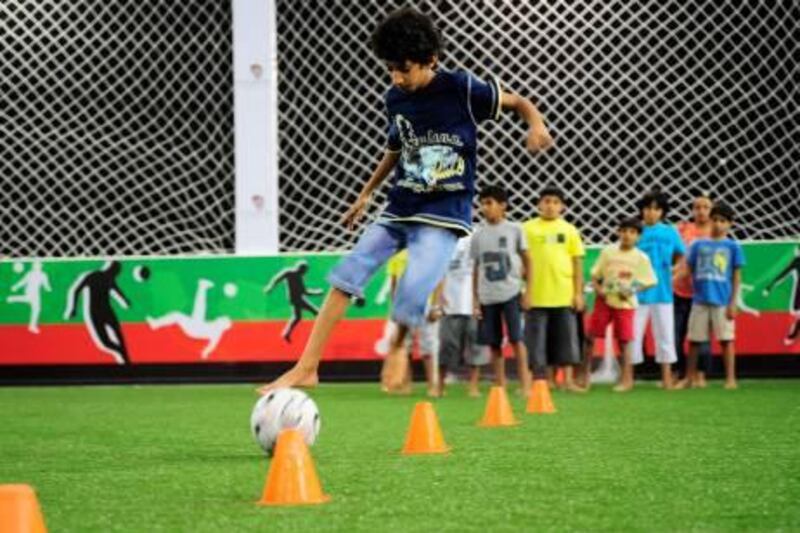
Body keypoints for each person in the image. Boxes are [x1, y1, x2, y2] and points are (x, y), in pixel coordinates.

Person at [259, 7, 553, 393]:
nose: (397, 77)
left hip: (444, 214)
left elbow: (518, 103)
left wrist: (536, 125)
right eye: (390, 69)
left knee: (414, 290)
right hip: (400, 206)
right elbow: (394, 149)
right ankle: (307, 366)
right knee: (348, 273)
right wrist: (365, 194)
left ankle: (397, 346)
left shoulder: (462, 88)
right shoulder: (395, 98)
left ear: (430, 60)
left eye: (405, 69)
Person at [522, 186, 586, 392]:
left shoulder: (569, 230)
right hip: (536, 296)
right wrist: (525, 291)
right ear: (539, 204)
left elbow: (577, 263)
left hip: (563, 295)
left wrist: (578, 293)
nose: (550, 206)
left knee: (566, 341)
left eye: (555, 202)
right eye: (547, 201)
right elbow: (519, 260)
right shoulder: (527, 229)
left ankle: (567, 380)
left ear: (563, 207)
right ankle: (542, 382)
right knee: (537, 343)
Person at [582, 217, 657, 391]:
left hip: (625, 304)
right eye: (623, 231)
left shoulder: (641, 258)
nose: (627, 235)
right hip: (604, 300)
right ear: (618, 232)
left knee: (624, 341)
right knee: (590, 337)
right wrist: (599, 288)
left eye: (632, 232)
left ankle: (626, 379)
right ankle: (584, 377)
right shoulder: (608, 252)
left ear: (638, 236)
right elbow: (595, 273)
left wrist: (631, 290)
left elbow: (650, 280)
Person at [471, 185, 531, 395]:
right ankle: (501, 384)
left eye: (489, 203)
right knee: (493, 342)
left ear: (503, 206)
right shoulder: (477, 235)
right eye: (482, 204)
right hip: (488, 297)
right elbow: (476, 268)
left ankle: (525, 384)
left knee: (517, 339)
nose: (485, 208)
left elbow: (527, 260)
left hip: (512, 292)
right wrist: (475, 300)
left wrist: (528, 291)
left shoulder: (515, 229)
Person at [682, 203, 744, 389]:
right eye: (715, 220)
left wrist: (733, 302)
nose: (718, 224)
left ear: (730, 224)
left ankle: (730, 379)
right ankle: (689, 377)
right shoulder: (698, 244)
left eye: (723, 221)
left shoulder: (733, 246)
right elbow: (689, 269)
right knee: (694, 340)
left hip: (722, 301)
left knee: (726, 340)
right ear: (710, 221)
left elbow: (736, 276)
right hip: (699, 300)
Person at [632, 189, 685, 388]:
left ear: (662, 212)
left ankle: (666, 378)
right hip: (638, 293)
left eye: (656, 209)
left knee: (665, 335)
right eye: (647, 208)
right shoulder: (636, 231)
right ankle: (629, 378)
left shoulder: (670, 232)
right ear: (641, 210)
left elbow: (681, 255)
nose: (651, 212)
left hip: (663, 293)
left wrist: (675, 273)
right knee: (633, 335)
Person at [381, 249, 440, 396]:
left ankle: (433, 385)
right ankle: (406, 384)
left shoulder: (429, 250)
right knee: (404, 346)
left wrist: (435, 306)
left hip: (425, 303)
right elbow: (394, 282)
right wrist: (395, 307)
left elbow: (439, 279)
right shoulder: (396, 253)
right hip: (404, 305)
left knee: (429, 348)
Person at [436, 236, 488, 397]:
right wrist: (438, 298)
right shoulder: (444, 239)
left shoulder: (478, 237)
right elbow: (439, 271)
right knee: (446, 346)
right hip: (450, 304)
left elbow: (482, 269)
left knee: (476, 346)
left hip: (473, 305)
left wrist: (479, 299)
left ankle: (473, 386)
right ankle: (440, 385)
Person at [673, 194, 713, 386]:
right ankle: (678, 374)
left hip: (703, 293)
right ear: (692, 210)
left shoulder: (716, 232)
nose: (701, 211)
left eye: (705, 207)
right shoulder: (682, 230)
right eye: (697, 207)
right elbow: (673, 253)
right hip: (679, 291)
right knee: (675, 335)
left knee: (701, 338)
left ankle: (700, 374)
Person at [763, 246, 800, 346]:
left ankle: (794, 332)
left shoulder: (796, 260)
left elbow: (783, 274)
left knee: (797, 314)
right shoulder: (797, 261)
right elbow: (783, 274)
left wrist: (769, 287)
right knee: (797, 313)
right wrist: (770, 286)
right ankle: (794, 331)